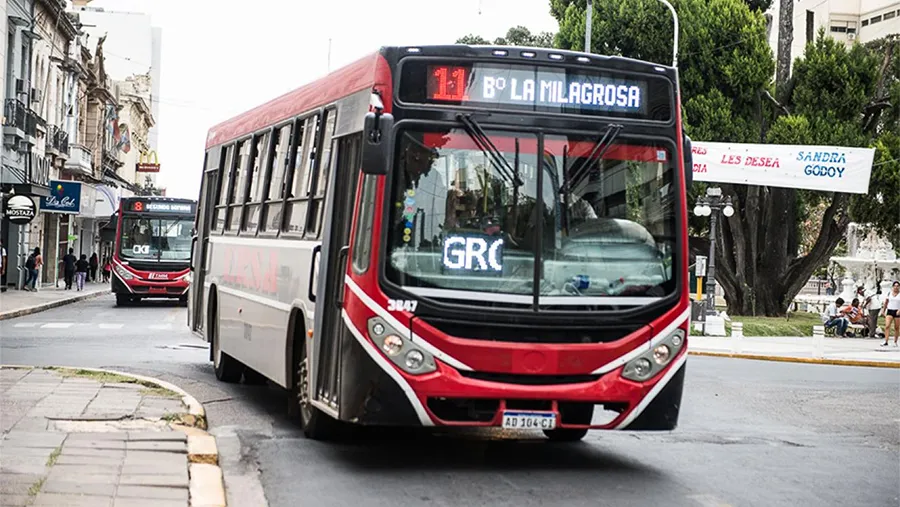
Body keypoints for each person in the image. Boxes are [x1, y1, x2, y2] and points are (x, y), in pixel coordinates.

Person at [879, 281, 900, 347]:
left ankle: (895, 341)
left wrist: (899, 310)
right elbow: (886, 302)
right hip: (890, 310)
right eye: (895, 286)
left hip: (897, 311)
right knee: (887, 326)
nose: (896, 287)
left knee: (896, 327)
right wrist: (883, 310)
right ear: (893, 287)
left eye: (897, 286)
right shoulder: (889, 293)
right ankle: (886, 341)